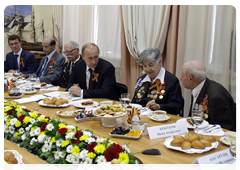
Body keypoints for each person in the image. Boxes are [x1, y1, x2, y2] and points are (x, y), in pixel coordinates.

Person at [180, 60, 237, 131]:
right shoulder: (200, 87)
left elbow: (225, 129)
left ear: (190, 78)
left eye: (182, 75)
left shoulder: (216, 97)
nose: (181, 78)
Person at [132, 48, 184, 115]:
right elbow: (134, 102)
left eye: (151, 65)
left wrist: (159, 107)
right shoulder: (142, 79)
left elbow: (176, 106)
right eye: (144, 66)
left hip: (161, 119)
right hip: (141, 117)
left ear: (159, 62)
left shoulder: (171, 80)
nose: (147, 69)